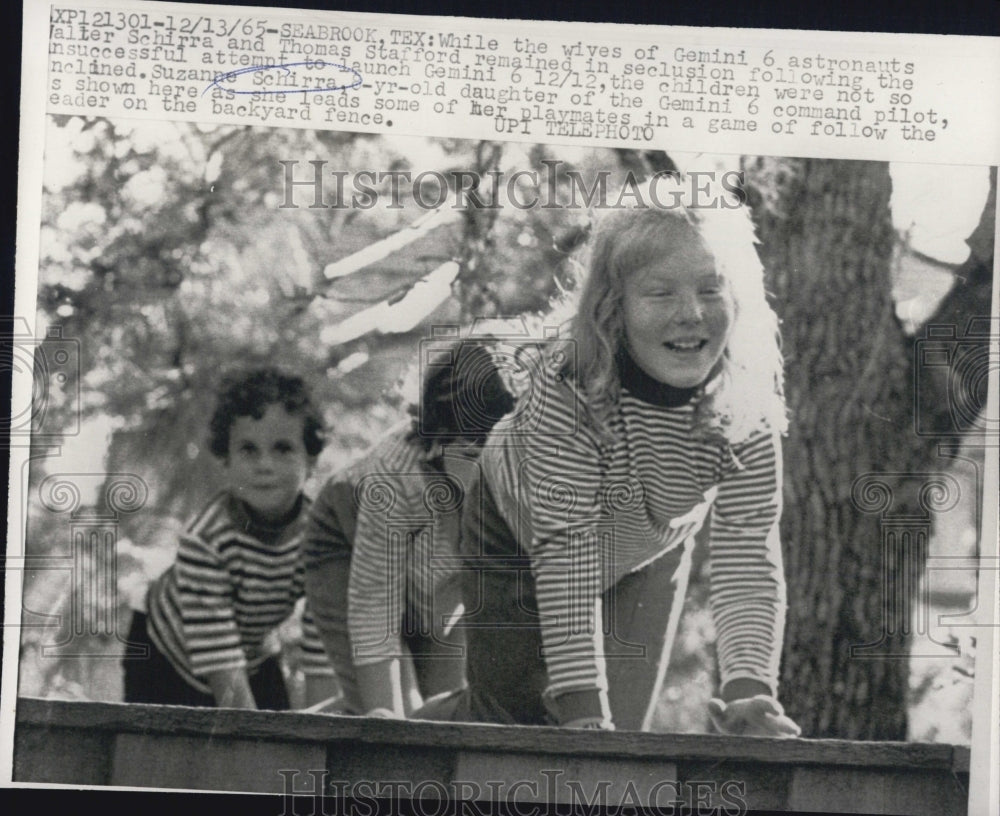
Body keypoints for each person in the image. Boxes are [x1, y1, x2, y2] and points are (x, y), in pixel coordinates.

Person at [421, 194, 801, 735]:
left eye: (711, 288)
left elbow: (748, 552)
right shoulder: (570, 386)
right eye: (660, 292)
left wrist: (749, 690)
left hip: (646, 544)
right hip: (520, 530)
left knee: (618, 739)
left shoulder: (746, 402)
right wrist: (581, 711)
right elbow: (566, 553)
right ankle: (408, 727)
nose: (691, 313)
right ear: (612, 308)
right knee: (511, 727)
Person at [303, 340, 516, 718]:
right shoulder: (396, 476)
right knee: (384, 715)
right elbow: (373, 605)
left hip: (433, 590)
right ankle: (282, 747)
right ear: (438, 440)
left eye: (504, 451)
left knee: (444, 714)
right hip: (348, 551)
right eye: (473, 452)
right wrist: (384, 713)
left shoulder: (522, 478)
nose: (491, 467)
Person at [123, 367, 333, 709]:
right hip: (165, 653)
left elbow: (322, 637)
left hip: (250, 653)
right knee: (166, 756)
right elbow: (221, 663)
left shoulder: (321, 536)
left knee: (284, 740)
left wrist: (323, 733)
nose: (264, 465)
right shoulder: (207, 540)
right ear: (226, 460)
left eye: (282, 449)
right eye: (248, 450)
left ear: (310, 460)